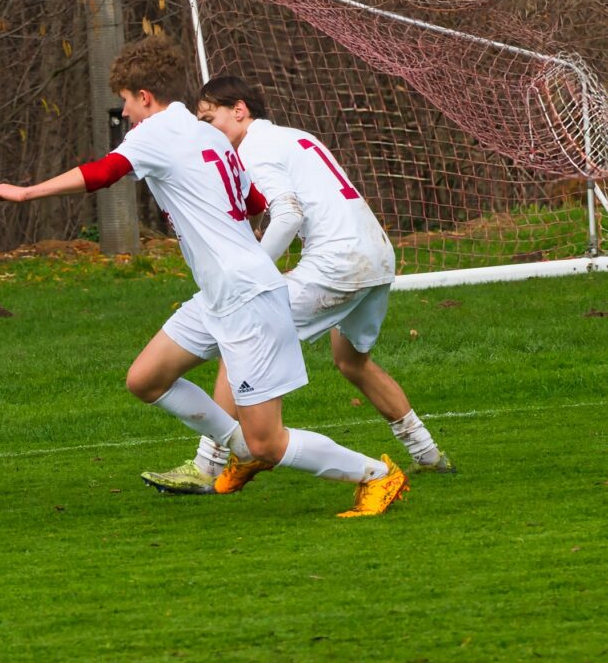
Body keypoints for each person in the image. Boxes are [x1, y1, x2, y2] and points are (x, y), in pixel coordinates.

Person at [0, 35, 408, 517]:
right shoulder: (208, 134)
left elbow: (102, 173)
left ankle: (376, 475)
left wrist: (24, 193)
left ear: (145, 97)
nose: (126, 114)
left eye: (126, 102)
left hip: (247, 296)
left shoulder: (156, 131)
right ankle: (235, 444)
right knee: (146, 379)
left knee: (268, 443)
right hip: (221, 294)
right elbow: (253, 202)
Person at [140, 74, 454, 497]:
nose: (206, 130)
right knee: (352, 361)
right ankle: (428, 453)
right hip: (377, 256)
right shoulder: (295, 136)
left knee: (240, 327)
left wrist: (251, 270)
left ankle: (207, 465)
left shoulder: (252, 148)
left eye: (210, 119)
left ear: (239, 110)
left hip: (337, 264)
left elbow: (288, 214)